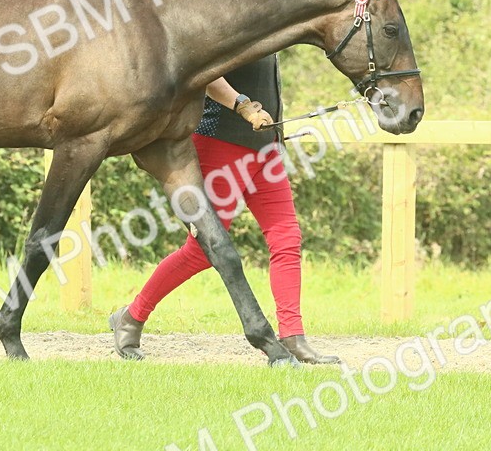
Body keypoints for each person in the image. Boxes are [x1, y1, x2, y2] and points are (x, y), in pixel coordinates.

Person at [109, 52, 339, 364]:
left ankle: (293, 337)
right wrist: (244, 107)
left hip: (266, 148)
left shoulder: (269, 18)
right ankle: (132, 316)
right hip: (220, 144)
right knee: (202, 251)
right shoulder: (225, 14)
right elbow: (204, 72)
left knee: (287, 239)